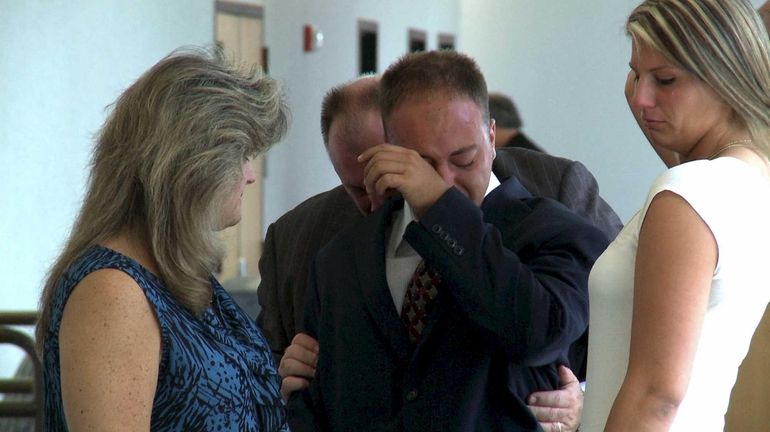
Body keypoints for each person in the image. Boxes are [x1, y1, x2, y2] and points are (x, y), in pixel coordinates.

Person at [259, 75, 623, 431]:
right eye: (364, 183)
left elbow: (613, 330)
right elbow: (297, 389)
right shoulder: (329, 248)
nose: (380, 193)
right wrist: (287, 381)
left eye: (462, 160)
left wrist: (587, 405)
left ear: (491, 137)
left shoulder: (556, 203)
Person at [35, 49, 290, 431]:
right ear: (195, 165)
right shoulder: (113, 292)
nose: (250, 175)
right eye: (243, 155)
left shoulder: (173, 271)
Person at [582, 0, 770, 430]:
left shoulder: (688, 195)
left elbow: (656, 397)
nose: (641, 97)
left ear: (726, 78)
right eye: (635, 74)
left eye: (664, 79)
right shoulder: (750, 180)